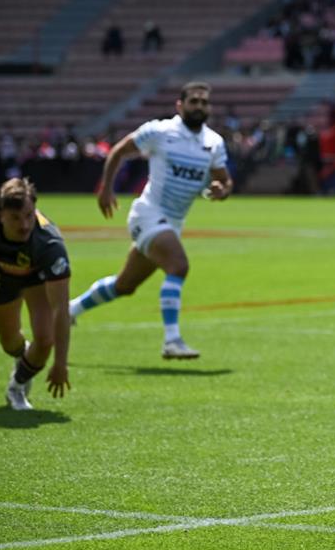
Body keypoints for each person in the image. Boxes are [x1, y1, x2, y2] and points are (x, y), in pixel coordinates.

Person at [68, 81, 233, 359]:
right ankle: (172, 341)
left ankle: (71, 310)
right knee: (178, 266)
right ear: (179, 106)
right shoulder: (160, 131)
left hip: (172, 223)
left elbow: (224, 181)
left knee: (125, 285)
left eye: (204, 102)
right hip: (148, 213)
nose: (199, 106)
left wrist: (222, 190)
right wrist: (106, 188)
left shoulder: (213, 143)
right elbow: (119, 150)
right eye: (194, 101)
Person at [0, 178, 72, 411]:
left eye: (28, 215)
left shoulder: (49, 244)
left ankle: (17, 386)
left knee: (45, 339)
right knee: (9, 343)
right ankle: (22, 356)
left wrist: (60, 363)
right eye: (15, 218)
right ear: (0, 214)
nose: (25, 225)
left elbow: (61, 309)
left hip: (36, 277)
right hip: (0, 276)